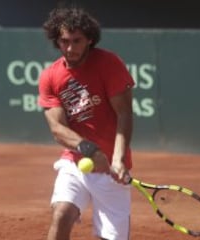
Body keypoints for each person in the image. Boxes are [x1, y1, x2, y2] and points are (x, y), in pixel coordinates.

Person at [38, 7, 135, 240]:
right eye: (64, 41)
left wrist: (118, 158)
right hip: (74, 162)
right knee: (62, 213)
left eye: (76, 41)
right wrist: (89, 150)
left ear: (89, 39)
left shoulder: (109, 63)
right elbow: (57, 129)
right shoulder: (50, 76)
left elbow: (124, 114)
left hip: (112, 169)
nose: (69, 48)